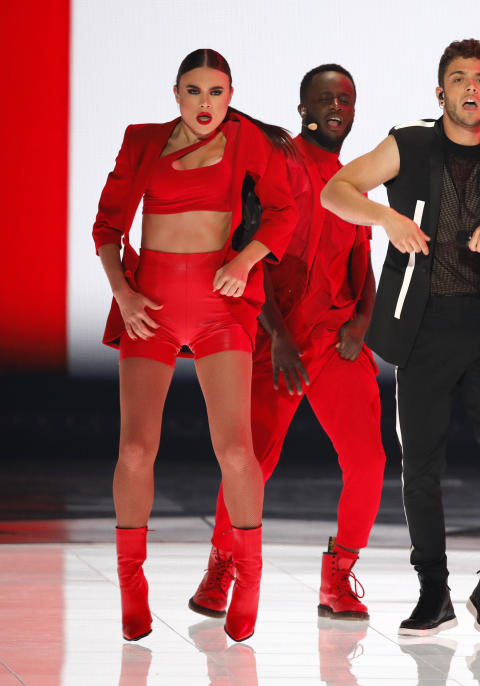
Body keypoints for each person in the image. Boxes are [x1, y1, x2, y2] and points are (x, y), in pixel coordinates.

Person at [321, 38, 480, 637]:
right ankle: (433, 590)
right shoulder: (409, 142)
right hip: (424, 325)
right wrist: (386, 217)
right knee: (421, 466)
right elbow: (337, 191)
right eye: (458, 78)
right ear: (441, 91)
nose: (469, 88)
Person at [92, 48, 296, 642]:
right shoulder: (143, 141)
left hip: (218, 310)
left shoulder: (246, 142)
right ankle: (132, 585)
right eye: (194, 91)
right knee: (134, 449)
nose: (206, 103)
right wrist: (125, 294)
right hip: (149, 308)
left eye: (217, 92)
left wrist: (246, 256)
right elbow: (107, 227)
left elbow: (284, 211)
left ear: (230, 96)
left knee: (236, 450)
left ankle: (249, 577)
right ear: (175, 93)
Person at [187, 63, 386, 622]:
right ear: (304, 107)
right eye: (325, 99)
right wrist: (275, 336)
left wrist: (360, 325)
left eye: (345, 99)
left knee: (368, 461)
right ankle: (224, 564)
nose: (337, 108)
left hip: (335, 340)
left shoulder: (354, 183)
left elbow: (363, 267)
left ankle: (339, 575)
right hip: (277, 342)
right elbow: (257, 253)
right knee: (251, 460)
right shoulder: (279, 164)